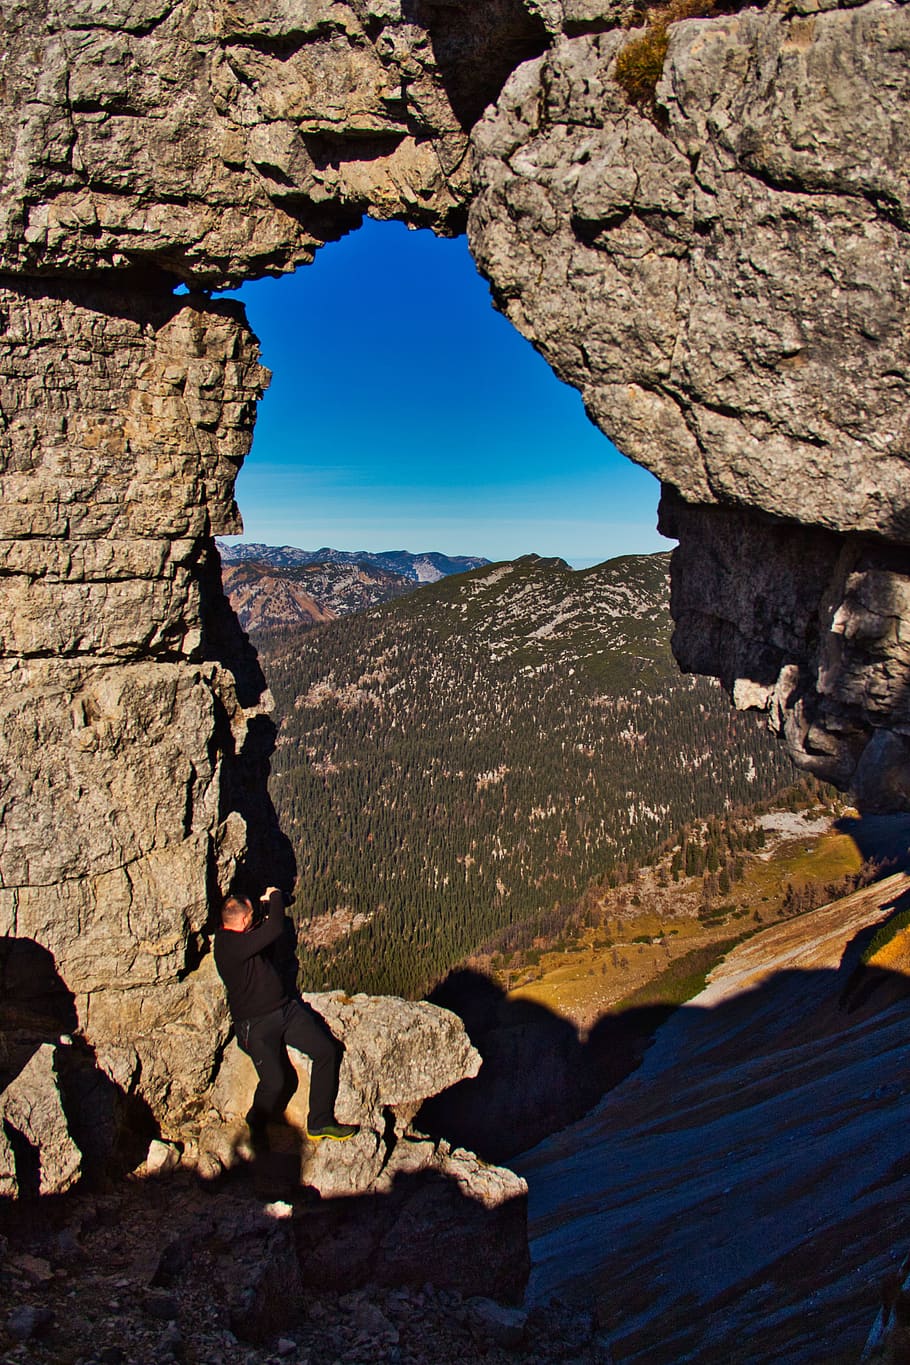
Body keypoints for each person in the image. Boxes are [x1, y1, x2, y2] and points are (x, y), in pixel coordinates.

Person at [214, 886, 359, 1142]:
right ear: (245, 919)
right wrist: (275, 897)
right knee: (276, 1082)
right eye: (251, 915)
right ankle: (255, 1121)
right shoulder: (228, 947)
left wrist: (266, 907)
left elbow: (263, 931)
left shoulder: (240, 938)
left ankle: (320, 1121)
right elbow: (273, 929)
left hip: (285, 1010)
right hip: (255, 1026)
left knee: (326, 1050)